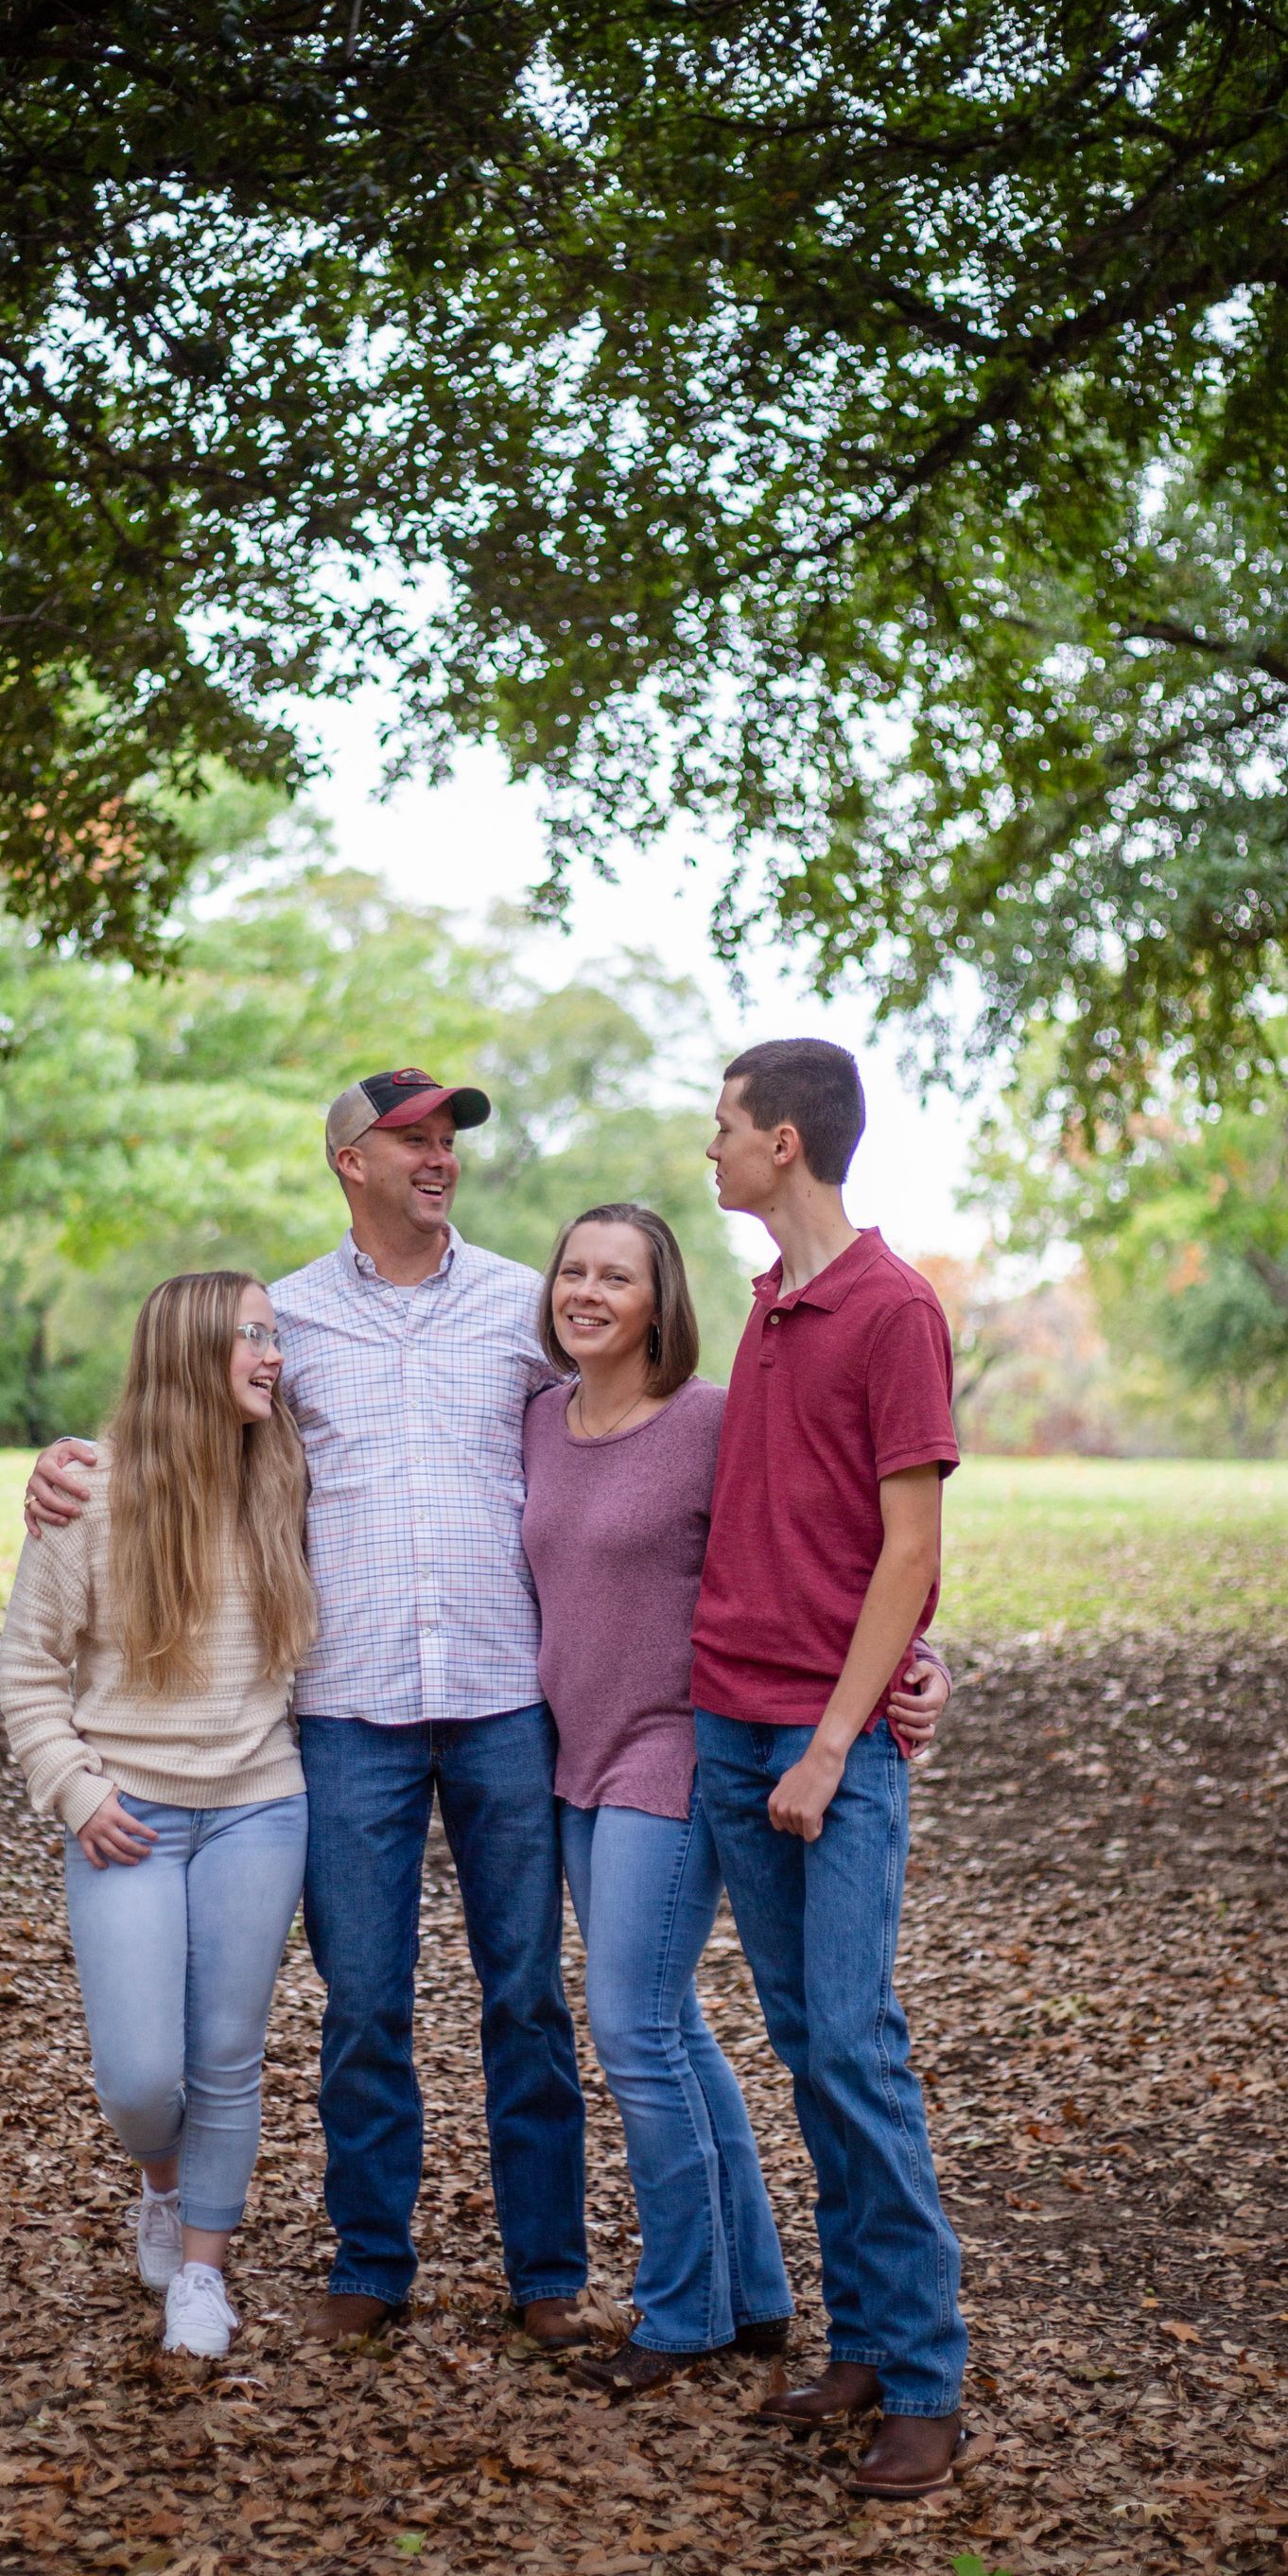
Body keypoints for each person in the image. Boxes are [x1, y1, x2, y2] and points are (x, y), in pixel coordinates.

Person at [23, 1071, 593, 2351]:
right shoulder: (286, 1319)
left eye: (449, 1142)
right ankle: (371, 2261)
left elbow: (619, 1433)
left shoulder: (522, 1307)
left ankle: (549, 2271)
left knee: (525, 1997)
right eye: (413, 1142)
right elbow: (182, 1428)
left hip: (507, 1697)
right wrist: (66, 1467)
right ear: (351, 1161)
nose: (438, 1160)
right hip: (346, 1711)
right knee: (363, 2004)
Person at [521, 1202, 949, 2397]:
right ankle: (755, 2293)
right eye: (574, 1270)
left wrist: (924, 1660)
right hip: (575, 1760)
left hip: (679, 1745)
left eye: (619, 1275)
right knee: (668, 2025)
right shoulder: (535, 1425)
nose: (588, 1291)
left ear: (664, 1304)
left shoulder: (710, 1423)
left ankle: (681, 2311)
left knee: (633, 2029)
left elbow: (835, 1541)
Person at [690, 1037, 969, 2498]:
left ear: (783, 1143)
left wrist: (840, 1737)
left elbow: (911, 1548)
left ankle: (926, 2377)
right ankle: (864, 2338)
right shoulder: (770, 1304)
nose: (713, 1149)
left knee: (857, 2045)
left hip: (821, 1745)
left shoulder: (890, 1307)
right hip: (731, 1725)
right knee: (809, 2047)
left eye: (724, 1126)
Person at [0, 1270, 316, 2359]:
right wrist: (79, 1794)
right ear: (190, 1356)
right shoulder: (89, 1499)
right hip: (126, 1814)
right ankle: (162, 2183)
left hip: (258, 1808)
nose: (273, 1356)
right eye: (252, 1339)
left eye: (275, 1335)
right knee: (141, 2081)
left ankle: (203, 2275)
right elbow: (28, 1674)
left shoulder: (285, 1477)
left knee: (226, 2055)